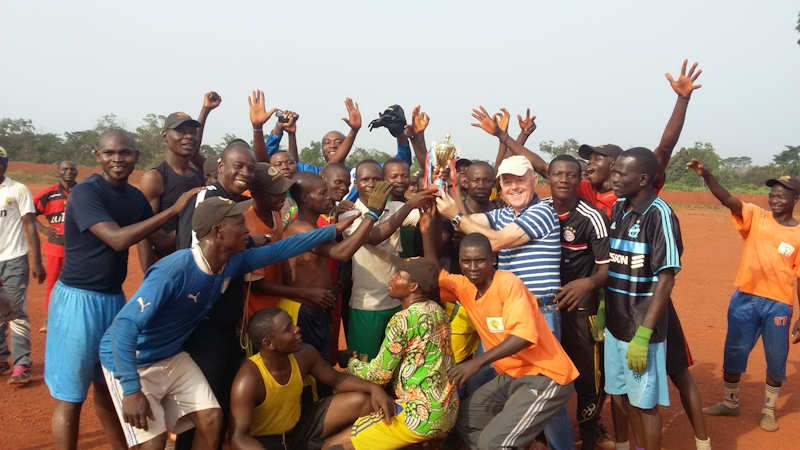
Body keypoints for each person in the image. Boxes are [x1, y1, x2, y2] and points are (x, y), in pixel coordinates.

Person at [98, 195, 348, 449]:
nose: (247, 230)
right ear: (218, 231)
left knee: (211, 418)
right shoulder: (172, 271)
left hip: (170, 354)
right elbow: (124, 328)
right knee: (153, 443)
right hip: (132, 359)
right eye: (239, 224)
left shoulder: (231, 262)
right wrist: (130, 389)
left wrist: (329, 230)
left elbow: (278, 249)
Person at [45, 130, 203, 450]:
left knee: (110, 387)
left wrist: (200, 222)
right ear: (97, 156)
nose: (117, 159)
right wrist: (174, 210)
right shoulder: (86, 193)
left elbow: (160, 241)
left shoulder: (134, 198)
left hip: (114, 301)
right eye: (109, 153)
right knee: (71, 395)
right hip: (77, 301)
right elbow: (118, 239)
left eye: (125, 153)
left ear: (136, 156)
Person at [436, 154, 575, 450]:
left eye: (520, 180)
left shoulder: (542, 212)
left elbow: (494, 242)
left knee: (546, 393)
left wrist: (456, 216)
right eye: (507, 181)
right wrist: (448, 186)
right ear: (500, 185)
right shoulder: (502, 215)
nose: (514, 187)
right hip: (504, 315)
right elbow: (472, 224)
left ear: (534, 181)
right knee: (480, 381)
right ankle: (502, 439)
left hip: (539, 313)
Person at [688, 160, 800, 433]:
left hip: (779, 305)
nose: (774, 200)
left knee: (776, 359)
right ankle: (730, 402)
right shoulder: (756, 217)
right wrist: (707, 174)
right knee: (734, 354)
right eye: (771, 195)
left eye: (781, 196)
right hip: (745, 299)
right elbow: (727, 198)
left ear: (795, 200)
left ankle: (768, 410)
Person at [173, 142, 266, 450]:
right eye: (238, 166)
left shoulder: (237, 202)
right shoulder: (204, 199)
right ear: (221, 167)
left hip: (227, 320)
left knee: (222, 400)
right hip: (202, 321)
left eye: (250, 168)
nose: (245, 173)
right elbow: (190, 256)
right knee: (202, 407)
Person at [326, 256, 459, 450]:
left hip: (420, 417)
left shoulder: (404, 319)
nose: (391, 278)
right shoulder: (437, 311)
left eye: (398, 274)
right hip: (447, 410)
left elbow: (378, 375)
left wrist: (350, 362)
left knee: (333, 446)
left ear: (413, 287)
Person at [602, 148, 685, 450]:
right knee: (621, 395)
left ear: (643, 178)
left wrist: (644, 335)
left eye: (621, 173)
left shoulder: (659, 214)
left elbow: (666, 279)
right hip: (614, 325)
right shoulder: (617, 209)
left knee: (645, 404)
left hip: (640, 329)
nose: (614, 178)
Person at [229, 307, 395, 450]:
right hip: (266, 443)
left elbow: (336, 379)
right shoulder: (248, 379)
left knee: (364, 400)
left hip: (300, 429)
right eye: (288, 329)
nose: (297, 329)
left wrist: (374, 388)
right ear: (269, 344)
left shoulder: (304, 355)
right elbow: (239, 438)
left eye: (293, 323)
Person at [542, 155, 615, 450]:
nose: (563, 179)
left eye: (570, 175)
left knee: (589, 377)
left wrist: (588, 282)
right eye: (557, 174)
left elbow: (608, 268)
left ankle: (589, 431)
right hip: (544, 307)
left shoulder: (593, 217)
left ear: (579, 180)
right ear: (547, 179)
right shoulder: (538, 212)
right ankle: (541, 431)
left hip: (579, 307)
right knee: (543, 371)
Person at [280, 174, 391, 363]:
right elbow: (341, 253)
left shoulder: (312, 225)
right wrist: (372, 214)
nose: (328, 197)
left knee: (321, 362)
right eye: (323, 193)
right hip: (303, 311)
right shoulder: (300, 228)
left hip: (316, 308)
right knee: (310, 367)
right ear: (306, 198)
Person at [344, 160, 434, 361]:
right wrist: (410, 204)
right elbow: (374, 236)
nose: (371, 184)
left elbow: (423, 218)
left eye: (376, 179)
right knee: (366, 366)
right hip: (366, 306)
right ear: (356, 184)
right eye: (365, 179)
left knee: (397, 364)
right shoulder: (349, 212)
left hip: (397, 302)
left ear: (384, 182)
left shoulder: (394, 207)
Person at [136, 93, 222, 271]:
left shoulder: (198, 176)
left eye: (192, 132)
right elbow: (144, 233)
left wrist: (205, 110)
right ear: (165, 135)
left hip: (195, 264)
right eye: (180, 131)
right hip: (167, 264)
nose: (188, 136)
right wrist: (148, 274)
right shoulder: (155, 178)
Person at [0, 147, 46, 384]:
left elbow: (30, 224)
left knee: (15, 311)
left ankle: (22, 364)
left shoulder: (17, 189)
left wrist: (37, 261)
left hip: (14, 258)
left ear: (5, 164)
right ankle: (1, 358)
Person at [33, 159, 77, 332]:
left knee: (78, 284)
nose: (69, 171)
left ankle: (73, 318)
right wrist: (43, 228)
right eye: (64, 169)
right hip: (56, 247)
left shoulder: (83, 192)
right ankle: (50, 318)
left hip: (79, 248)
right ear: (58, 172)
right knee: (53, 283)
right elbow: (29, 214)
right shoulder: (48, 194)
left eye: (72, 169)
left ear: (76, 172)